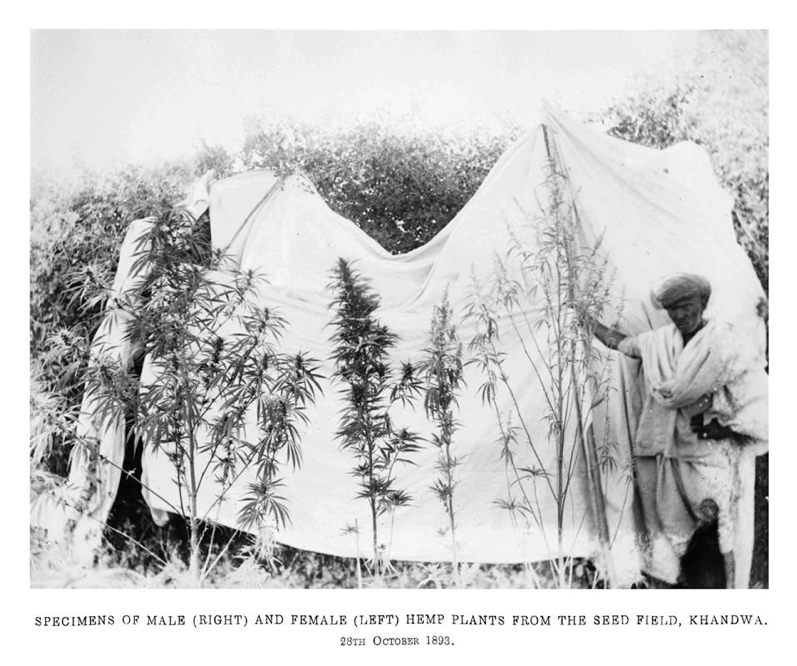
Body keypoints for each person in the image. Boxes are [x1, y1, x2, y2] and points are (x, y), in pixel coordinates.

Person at [581, 273, 767, 588]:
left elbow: (757, 397)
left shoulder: (724, 342)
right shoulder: (660, 341)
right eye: (672, 309)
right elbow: (619, 343)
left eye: (686, 306)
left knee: (714, 526)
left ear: (703, 304)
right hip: (666, 454)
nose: (680, 315)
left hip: (708, 457)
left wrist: (722, 428)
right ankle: (684, 588)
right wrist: (584, 318)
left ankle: (719, 594)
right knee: (675, 533)